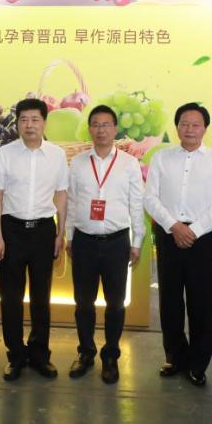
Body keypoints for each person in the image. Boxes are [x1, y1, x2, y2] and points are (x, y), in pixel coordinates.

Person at [145, 102, 212, 387]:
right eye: (184, 123)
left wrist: (192, 231)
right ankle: (174, 356)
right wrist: (174, 226)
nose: (190, 129)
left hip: (201, 237)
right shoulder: (162, 158)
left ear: (205, 128)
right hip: (169, 235)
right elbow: (150, 198)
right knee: (169, 301)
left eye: (196, 124)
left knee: (200, 302)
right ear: (177, 127)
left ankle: (198, 363)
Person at [0, 98, 68, 381]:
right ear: (18, 123)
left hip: (44, 231)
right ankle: (15, 355)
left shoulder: (57, 155)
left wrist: (60, 233)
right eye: (24, 119)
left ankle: (39, 354)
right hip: (11, 230)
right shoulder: (5, 153)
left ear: (44, 122)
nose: (29, 125)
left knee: (41, 297)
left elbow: (61, 195)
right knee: (10, 297)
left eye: (35, 119)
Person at [64, 105, 144, 384]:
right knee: (83, 303)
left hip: (117, 242)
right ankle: (86, 353)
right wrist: (69, 236)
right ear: (90, 129)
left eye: (106, 124)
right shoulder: (78, 162)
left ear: (115, 129)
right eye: (96, 124)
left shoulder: (129, 163)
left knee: (116, 304)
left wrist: (137, 241)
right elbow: (71, 201)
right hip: (84, 242)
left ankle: (110, 356)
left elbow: (136, 203)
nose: (101, 130)